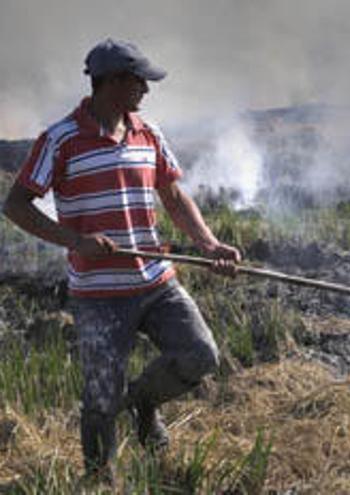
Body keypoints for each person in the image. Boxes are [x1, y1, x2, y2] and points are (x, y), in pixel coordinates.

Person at [2, 38, 241, 484]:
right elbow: (15, 205)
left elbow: (172, 196)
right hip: (98, 295)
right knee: (99, 400)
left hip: (155, 281)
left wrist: (209, 244)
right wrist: (75, 240)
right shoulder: (60, 140)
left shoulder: (148, 132)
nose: (146, 92)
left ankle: (144, 402)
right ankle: (99, 479)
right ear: (111, 82)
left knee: (200, 355)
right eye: (139, 82)